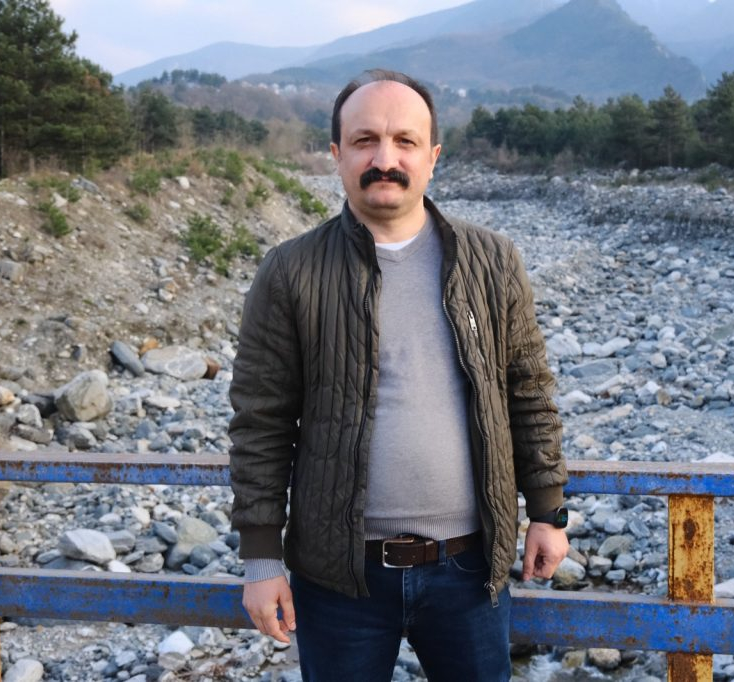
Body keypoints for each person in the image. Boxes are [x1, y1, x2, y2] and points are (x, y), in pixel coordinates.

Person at [228, 68, 568, 682]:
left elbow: (528, 391)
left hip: (470, 570)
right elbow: (261, 422)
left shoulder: (492, 262)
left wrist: (547, 510)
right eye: (365, 141)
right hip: (338, 578)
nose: (385, 159)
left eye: (404, 141)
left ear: (432, 157)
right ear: (336, 154)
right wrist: (260, 559)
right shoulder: (291, 271)